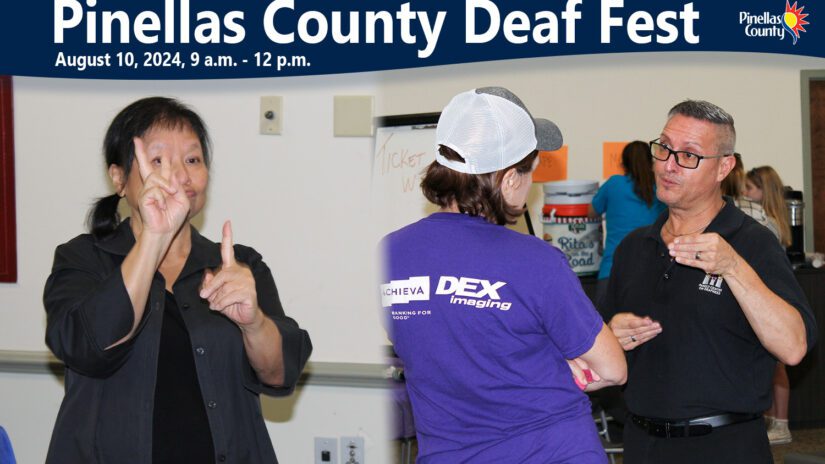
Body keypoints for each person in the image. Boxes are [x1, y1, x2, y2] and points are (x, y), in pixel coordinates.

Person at [43, 97, 312, 463]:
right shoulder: (83, 259)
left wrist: (254, 324)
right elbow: (90, 349)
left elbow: (281, 374)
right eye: (157, 161)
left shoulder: (238, 264)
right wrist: (154, 238)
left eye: (192, 160)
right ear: (119, 178)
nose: (179, 175)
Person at [381, 87, 627, 463]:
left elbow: (429, 346)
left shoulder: (390, 254)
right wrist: (557, 362)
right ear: (511, 179)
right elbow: (612, 369)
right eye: (531, 172)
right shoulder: (536, 261)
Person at [603, 100, 817, 463]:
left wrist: (733, 267)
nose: (669, 165)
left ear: (724, 167)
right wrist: (611, 334)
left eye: (689, 155)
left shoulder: (752, 243)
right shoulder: (633, 248)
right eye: (664, 148)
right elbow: (598, 352)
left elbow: (793, 347)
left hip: (724, 447)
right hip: (642, 445)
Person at [745, 165, 794, 445]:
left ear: (764, 191)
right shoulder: (773, 221)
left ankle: (782, 423)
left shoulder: (766, 226)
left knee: (777, 365)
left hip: (772, 299)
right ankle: (773, 419)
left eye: (750, 189)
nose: (746, 195)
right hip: (769, 297)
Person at [591, 141, 666, 309]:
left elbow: (591, 211)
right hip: (651, 272)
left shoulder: (614, 184)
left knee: (605, 328)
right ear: (652, 161)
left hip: (612, 270)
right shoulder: (659, 188)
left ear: (623, 163)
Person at [719, 153, 780, 240]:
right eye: (745, 186)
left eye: (749, 187)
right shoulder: (757, 212)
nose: (744, 192)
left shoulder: (761, 215)